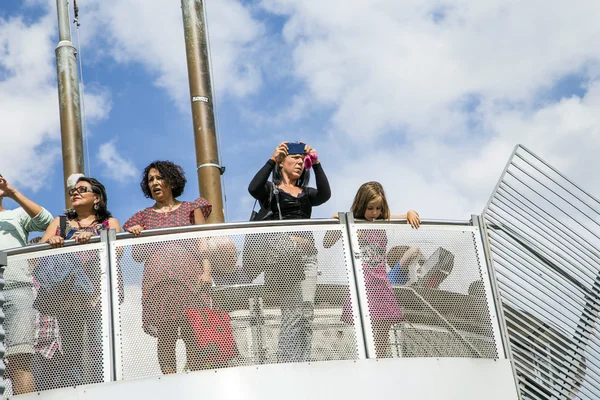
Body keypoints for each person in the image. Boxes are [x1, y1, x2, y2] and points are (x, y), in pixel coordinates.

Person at [123, 160, 212, 374]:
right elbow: (137, 256)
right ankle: (170, 384)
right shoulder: (142, 216)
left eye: (159, 177)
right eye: (150, 179)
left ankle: (196, 381)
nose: (154, 182)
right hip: (158, 283)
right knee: (166, 334)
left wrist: (207, 271)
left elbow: (203, 240)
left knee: (193, 331)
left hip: (191, 279)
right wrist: (137, 236)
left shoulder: (192, 208)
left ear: (171, 181)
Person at [248, 142, 331, 363]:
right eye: (293, 158)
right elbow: (253, 188)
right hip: (283, 258)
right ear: (282, 162)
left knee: (306, 315)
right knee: (293, 315)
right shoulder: (271, 189)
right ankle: (286, 363)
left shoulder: (306, 193)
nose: (298, 163)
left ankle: (303, 362)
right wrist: (271, 159)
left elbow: (325, 194)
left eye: (301, 160)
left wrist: (316, 163)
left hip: (307, 260)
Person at [39, 176, 121, 386]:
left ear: (96, 197)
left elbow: (117, 253)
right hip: (66, 301)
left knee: (100, 349)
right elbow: (36, 257)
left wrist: (91, 240)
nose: (75, 193)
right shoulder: (60, 223)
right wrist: (52, 241)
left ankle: (104, 392)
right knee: (70, 353)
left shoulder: (108, 223)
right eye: (72, 191)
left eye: (82, 189)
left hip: (97, 298)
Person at [325, 181, 420, 357]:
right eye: (370, 208)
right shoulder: (351, 222)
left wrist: (410, 212)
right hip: (363, 287)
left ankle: (381, 365)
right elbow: (327, 243)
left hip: (382, 285)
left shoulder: (381, 222)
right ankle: (370, 365)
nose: (375, 213)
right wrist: (335, 222)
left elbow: (402, 217)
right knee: (367, 337)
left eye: (378, 208)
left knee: (383, 336)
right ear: (361, 205)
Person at [0, 174, 53, 395]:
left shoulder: (15, 216)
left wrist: (12, 192)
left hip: (16, 288)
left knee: (20, 357)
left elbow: (47, 221)